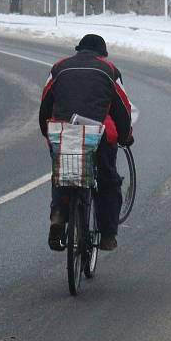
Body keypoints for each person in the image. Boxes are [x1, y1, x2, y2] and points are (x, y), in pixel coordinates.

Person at [39, 34, 134, 252]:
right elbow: (122, 109)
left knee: (63, 174)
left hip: (64, 133)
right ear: (103, 54)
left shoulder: (58, 68)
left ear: (79, 50)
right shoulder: (110, 70)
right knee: (108, 181)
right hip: (97, 136)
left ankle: (58, 216)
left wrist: (48, 134)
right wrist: (125, 137)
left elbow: (45, 104)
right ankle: (108, 235)